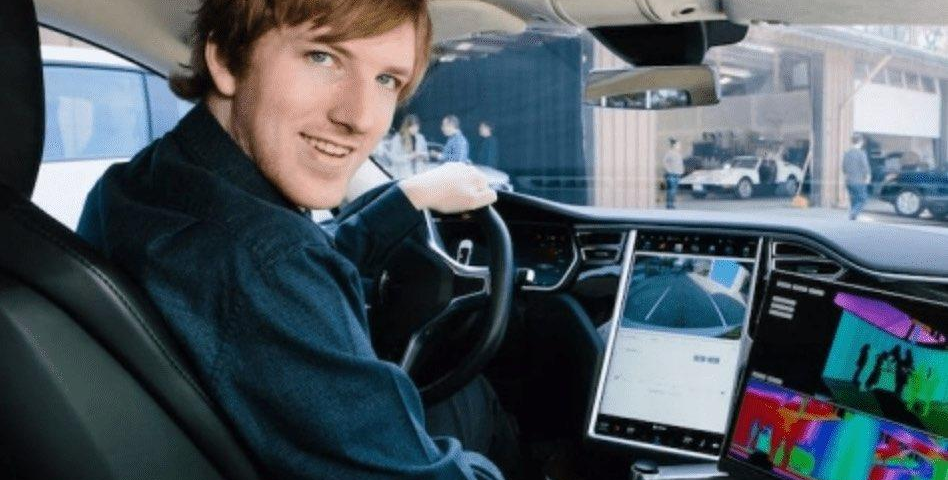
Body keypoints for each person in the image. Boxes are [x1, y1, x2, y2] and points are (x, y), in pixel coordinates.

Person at [76, 1, 513, 479]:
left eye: (387, 80)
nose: (359, 117)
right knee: (477, 399)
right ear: (226, 60)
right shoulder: (269, 265)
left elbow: (302, 259)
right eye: (322, 57)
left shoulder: (138, 184)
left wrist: (406, 198)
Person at [842, 134, 871, 220]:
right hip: (859, 181)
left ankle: (853, 217)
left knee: (854, 200)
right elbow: (865, 166)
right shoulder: (861, 154)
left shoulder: (847, 153)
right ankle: (853, 213)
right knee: (863, 199)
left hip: (849, 181)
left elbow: (843, 167)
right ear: (860, 142)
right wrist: (868, 177)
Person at [662, 138, 684, 209]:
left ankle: (671, 204)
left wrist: (681, 171)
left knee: (673, 190)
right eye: (678, 144)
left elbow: (680, 164)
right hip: (672, 174)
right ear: (674, 145)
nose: (679, 146)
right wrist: (669, 170)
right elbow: (664, 162)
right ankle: (670, 204)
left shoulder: (678, 154)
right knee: (671, 190)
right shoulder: (670, 153)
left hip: (677, 174)